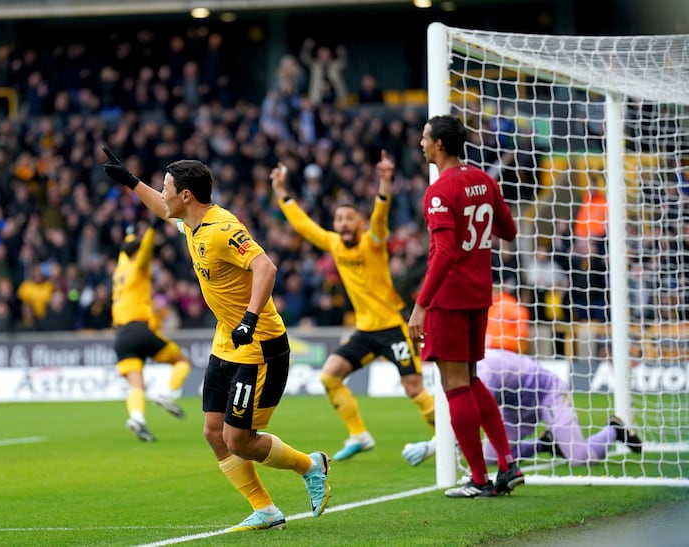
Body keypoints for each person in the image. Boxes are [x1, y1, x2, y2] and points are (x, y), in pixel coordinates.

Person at [102, 147, 331, 532]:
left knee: (239, 440)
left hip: (259, 345)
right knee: (213, 433)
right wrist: (131, 181)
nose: (164, 193)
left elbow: (265, 267)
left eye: (167, 187)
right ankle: (266, 510)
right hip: (226, 340)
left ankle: (311, 466)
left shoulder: (223, 229)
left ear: (186, 196)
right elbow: (161, 207)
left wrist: (249, 318)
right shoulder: (190, 223)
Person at [271, 150, 436, 462]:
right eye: (339, 219)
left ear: (359, 223)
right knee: (329, 376)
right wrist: (281, 192)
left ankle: (448, 437)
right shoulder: (334, 243)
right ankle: (359, 434)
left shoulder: (373, 242)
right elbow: (305, 226)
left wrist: (384, 183)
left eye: (349, 219)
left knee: (414, 388)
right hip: (365, 331)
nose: (343, 224)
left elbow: (380, 217)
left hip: (391, 327)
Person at [406, 114, 523, 498]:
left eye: (425, 138)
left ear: (439, 144)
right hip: (479, 295)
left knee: (455, 386)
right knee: (470, 380)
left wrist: (421, 305)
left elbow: (444, 251)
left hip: (449, 299)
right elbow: (509, 230)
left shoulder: (440, 191)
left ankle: (478, 478)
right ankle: (506, 464)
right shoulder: (484, 180)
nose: (421, 143)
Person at [403, 348, 643, 468]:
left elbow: (469, 418)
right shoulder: (466, 370)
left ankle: (614, 429)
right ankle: (545, 443)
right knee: (490, 456)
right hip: (514, 406)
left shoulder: (483, 374)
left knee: (579, 458)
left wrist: (433, 446)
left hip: (546, 393)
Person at [111, 224, 193, 442]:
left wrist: (129, 232)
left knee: (136, 384)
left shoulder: (120, 269)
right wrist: (151, 229)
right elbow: (145, 250)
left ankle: (137, 418)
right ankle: (167, 393)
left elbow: (126, 249)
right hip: (140, 329)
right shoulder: (139, 267)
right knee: (182, 361)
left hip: (121, 336)